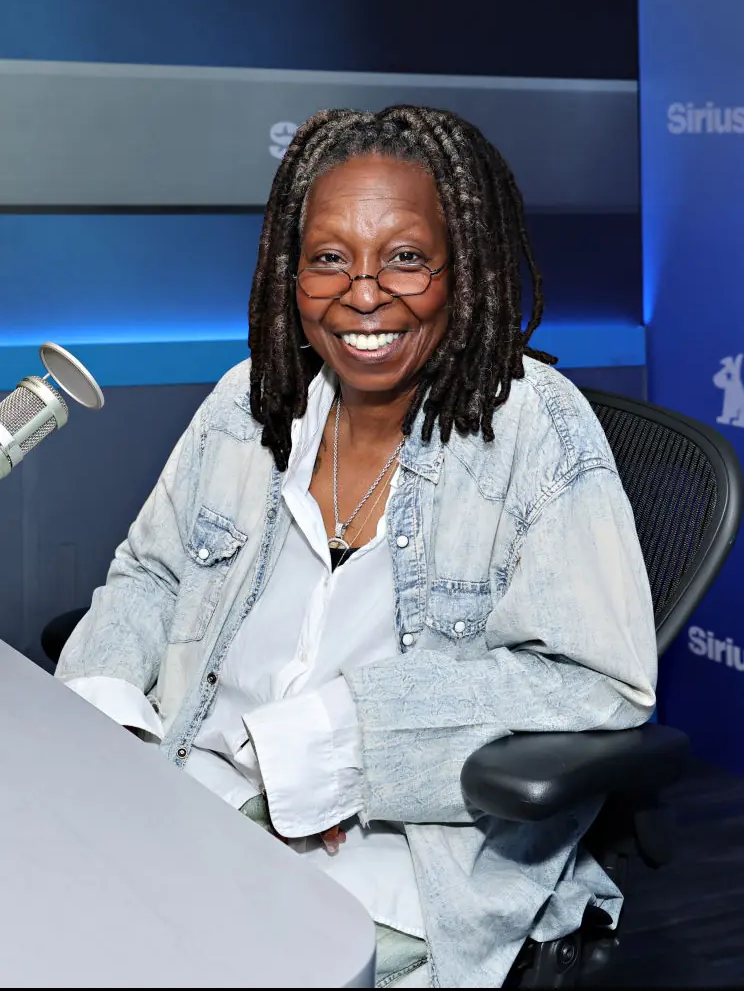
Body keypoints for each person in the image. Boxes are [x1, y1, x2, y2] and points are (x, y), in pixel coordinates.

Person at [56, 105, 657, 988]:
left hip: (398, 862)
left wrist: (345, 748)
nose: (364, 292)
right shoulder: (247, 401)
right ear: (288, 274)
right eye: (329, 257)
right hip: (196, 794)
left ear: (464, 269)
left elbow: (599, 683)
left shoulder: (537, 427)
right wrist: (107, 725)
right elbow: (150, 574)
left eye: (407, 257)